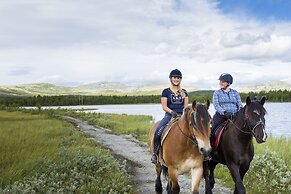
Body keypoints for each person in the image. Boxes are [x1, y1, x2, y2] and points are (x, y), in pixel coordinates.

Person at [151, 69, 189, 164]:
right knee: (158, 131)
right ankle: (155, 153)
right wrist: (172, 112)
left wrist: (184, 114)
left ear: (180, 79)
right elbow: (164, 106)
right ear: (171, 79)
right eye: (174, 78)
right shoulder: (166, 91)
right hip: (169, 115)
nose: (176, 79)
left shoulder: (184, 92)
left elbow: (186, 107)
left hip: (182, 116)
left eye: (178, 78)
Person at [212, 73, 243, 139]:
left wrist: (238, 113)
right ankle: (212, 146)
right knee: (213, 129)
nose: (220, 83)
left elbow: (240, 104)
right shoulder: (216, 93)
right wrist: (225, 112)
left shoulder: (235, 93)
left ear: (228, 83)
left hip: (235, 116)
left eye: (223, 82)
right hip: (221, 116)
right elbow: (216, 105)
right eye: (220, 81)